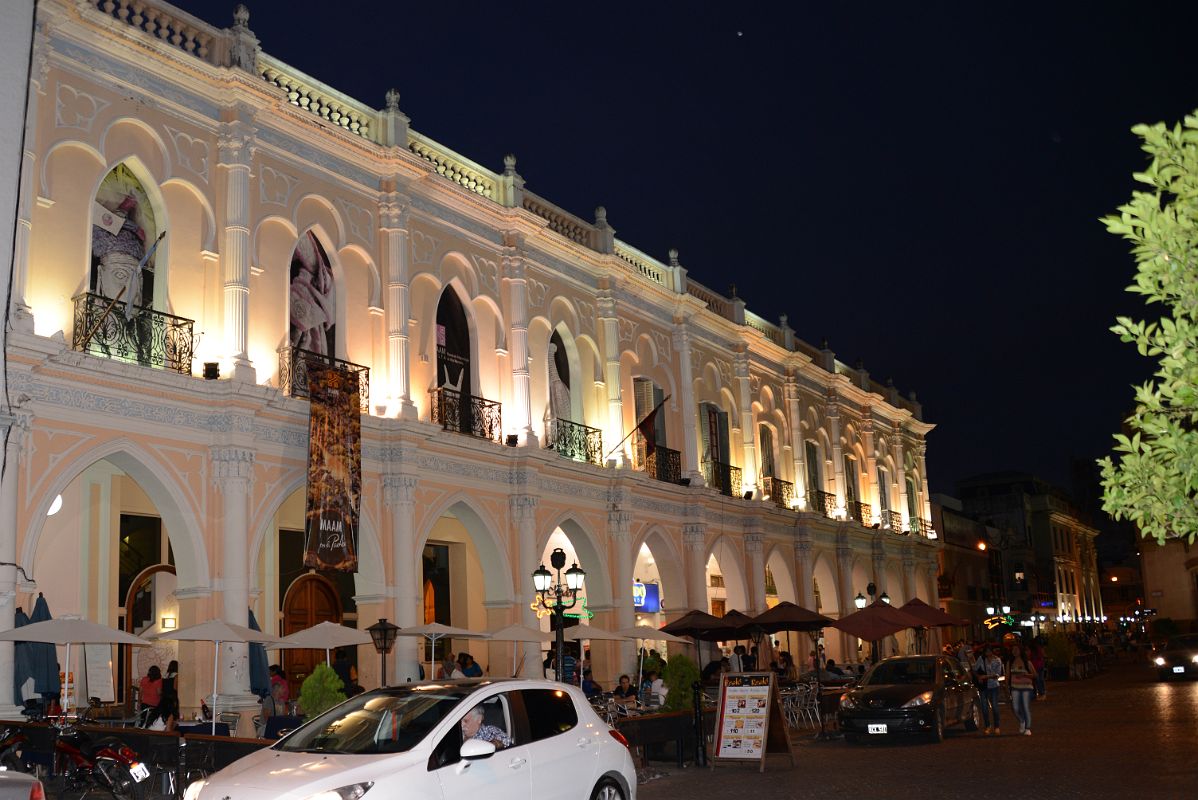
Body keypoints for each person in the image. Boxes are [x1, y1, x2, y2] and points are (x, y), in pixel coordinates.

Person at [974, 645, 1005, 735]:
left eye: (989, 651)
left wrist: (986, 677)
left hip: (994, 686)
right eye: (986, 651)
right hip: (983, 686)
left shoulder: (997, 660)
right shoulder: (981, 659)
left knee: (995, 707)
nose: (987, 653)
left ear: (992, 651)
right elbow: (975, 669)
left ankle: (997, 726)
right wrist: (978, 677)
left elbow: (997, 674)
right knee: (984, 708)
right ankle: (987, 726)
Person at [1009, 644, 1037, 735]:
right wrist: (1006, 686)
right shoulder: (1010, 662)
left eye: (1016, 649)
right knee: (1015, 707)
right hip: (1014, 687)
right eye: (1013, 649)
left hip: (1026, 687)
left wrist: (1024, 675)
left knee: (1025, 707)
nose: (1014, 651)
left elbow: (1035, 675)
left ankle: (1027, 728)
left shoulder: (1027, 662)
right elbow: (1007, 675)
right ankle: (1022, 721)